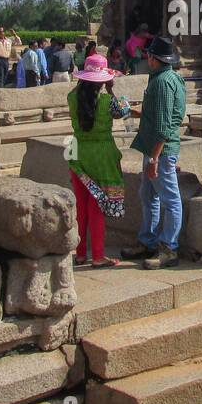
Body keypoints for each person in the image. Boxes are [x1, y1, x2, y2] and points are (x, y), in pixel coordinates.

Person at [125, 36, 186, 269]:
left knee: (170, 200)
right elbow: (162, 114)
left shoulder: (161, 83)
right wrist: (133, 110)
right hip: (154, 147)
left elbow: (162, 125)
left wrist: (154, 158)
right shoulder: (171, 78)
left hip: (159, 150)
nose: (146, 58)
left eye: (148, 54)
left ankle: (169, 247)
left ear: (153, 57)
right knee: (148, 195)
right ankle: (148, 240)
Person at [66, 53, 130, 269]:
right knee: (97, 207)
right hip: (102, 155)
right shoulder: (108, 102)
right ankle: (99, 255)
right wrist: (110, 88)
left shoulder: (72, 97)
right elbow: (124, 110)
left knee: (81, 207)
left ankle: (81, 253)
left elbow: (78, 92)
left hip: (77, 152)